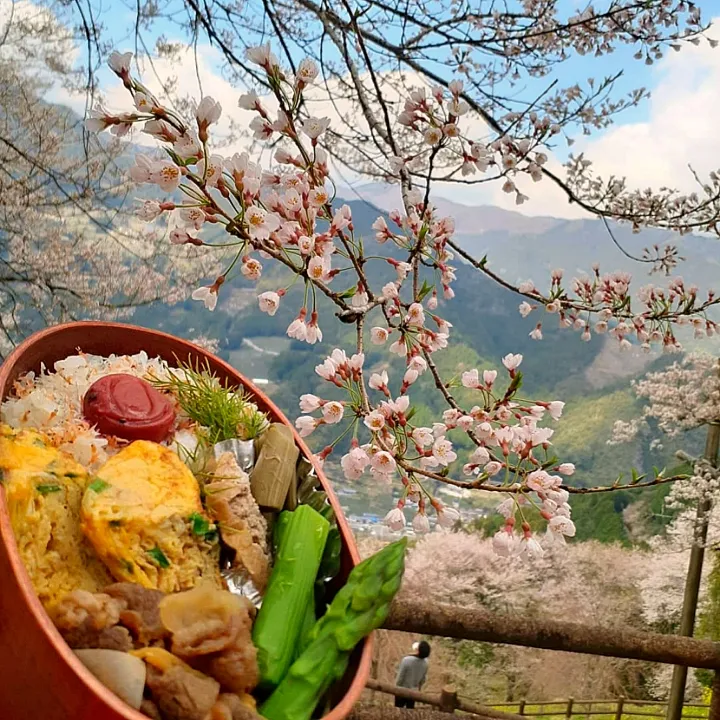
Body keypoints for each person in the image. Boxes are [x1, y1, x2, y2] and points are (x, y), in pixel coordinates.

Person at [394, 640, 431, 709]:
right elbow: (423, 680)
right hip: (414, 692)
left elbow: (400, 678)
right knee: (410, 712)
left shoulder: (406, 660)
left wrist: (396, 688)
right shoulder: (426, 663)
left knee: (398, 710)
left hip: (402, 691)